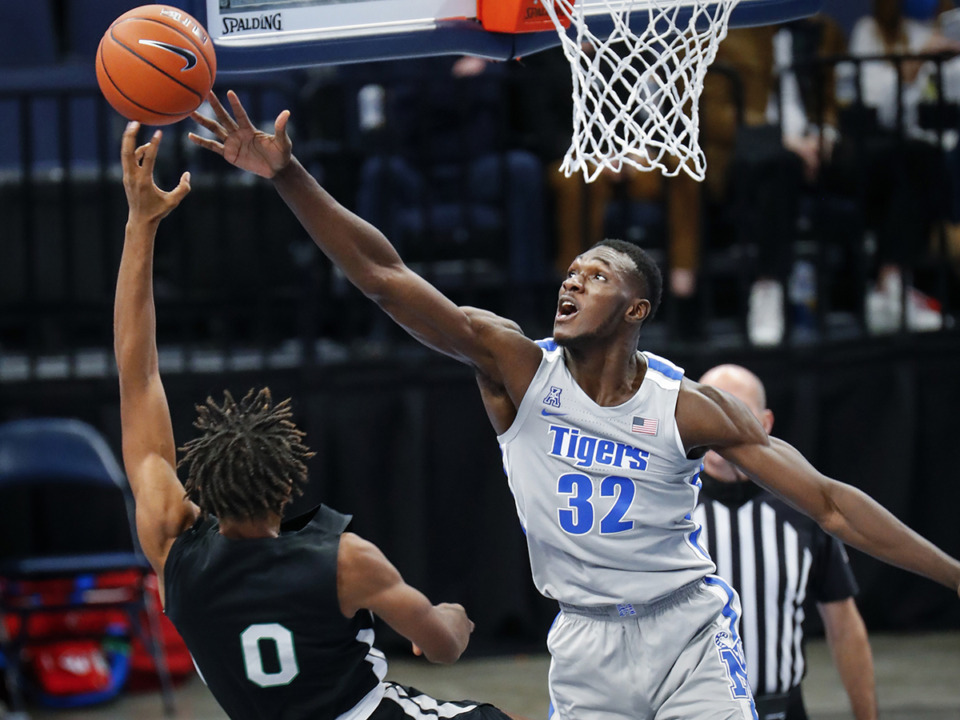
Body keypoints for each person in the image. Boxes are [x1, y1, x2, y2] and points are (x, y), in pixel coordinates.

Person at [189, 90, 960, 720]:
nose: (572, 281)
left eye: (596, 277)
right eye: (571, 271)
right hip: (587, 645)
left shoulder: (686, 408)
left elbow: (829, 506)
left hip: (685, 630)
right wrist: (288, 175)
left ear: (636, 310)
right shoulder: (515, 369)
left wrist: (954, 574)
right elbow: (383, 277)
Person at [114, 120, 527, 720]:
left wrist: (139, 224)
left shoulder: (170, 544)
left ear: (202, 484)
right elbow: (441, 649)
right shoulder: (342, 560)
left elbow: (137, 377)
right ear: (287, 486)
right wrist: (450, 618)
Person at [694, 365, 877, 720]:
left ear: (764, 423)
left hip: (780, 709)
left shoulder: (802, 509)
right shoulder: (667, 509)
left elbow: (844, 627)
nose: (719, 428)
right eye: (708, 413)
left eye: (735, 412)